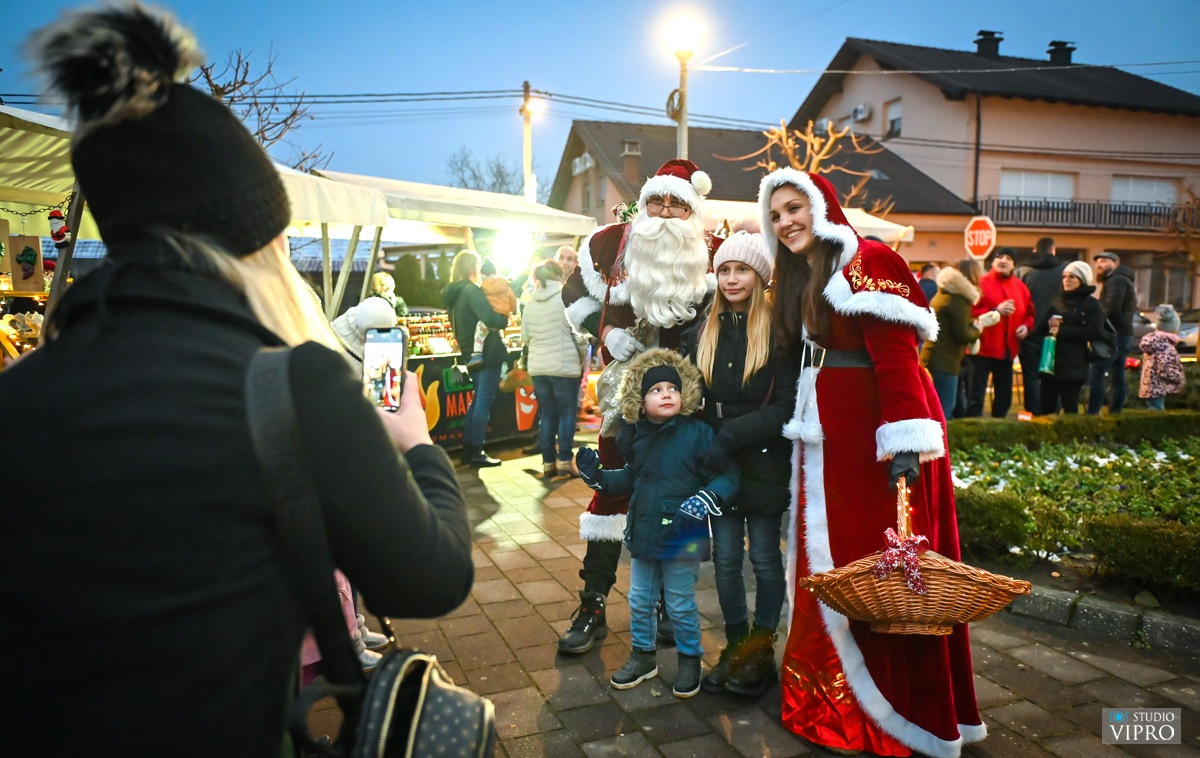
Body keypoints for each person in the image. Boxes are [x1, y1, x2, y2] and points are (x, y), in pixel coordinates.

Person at [1, 6, 475, 756]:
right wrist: (417, 445)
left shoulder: (20, 395)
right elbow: (433, 579)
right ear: (256, 242)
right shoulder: (293, 387)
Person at [760, 168, 984, 757]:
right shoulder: (806, 273)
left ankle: (889, 715)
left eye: (794, 208)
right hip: (827, 441)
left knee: (881, 571)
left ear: (820, 206)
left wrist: (904, 445)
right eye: (776, 214)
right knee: (828, 563)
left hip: (874, 443)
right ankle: (828, 704)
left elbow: (896, 357)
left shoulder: (873, 260)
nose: (785, 222)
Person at [556, 159, 722, 654]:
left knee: (677, 498)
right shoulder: (608, 243)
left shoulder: (709, 253)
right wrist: (605, 331)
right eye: (660, 201)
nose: (667, 212)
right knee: (609, 496)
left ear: (692, 209)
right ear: (646, 201)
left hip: (683, 403)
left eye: (678, 203)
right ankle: (592, 604)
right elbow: (573, 296)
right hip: (621, 401)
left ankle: (672, 606)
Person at [574, 348, 739, 698]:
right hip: (645, 530)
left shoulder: (698, 434)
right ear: (639, 399)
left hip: (683, 531)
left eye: (672, 388)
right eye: (656, 390)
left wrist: (708, 498)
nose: (666, 394)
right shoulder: (638, 436)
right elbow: (632, 477)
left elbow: (726, 475)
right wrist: (599, 477)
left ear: (684, 395)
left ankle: (690, 658)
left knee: (679, 602)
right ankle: (643, 655)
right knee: (639, 598)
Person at [682, 231, 798, 698]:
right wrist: (709, 438)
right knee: (726, 561)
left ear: (760, 276)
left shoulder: (779, 332)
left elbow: (785, 407)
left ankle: (761, 650)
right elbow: (695, 397)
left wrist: (728, 434)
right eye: (725, 270)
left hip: (764, 459)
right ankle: (735, 644)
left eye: (741, 270)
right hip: (720, 466)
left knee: (765, 559)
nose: (731, 279)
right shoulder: (704, 331)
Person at [442, 250, 510, 466]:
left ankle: (469, 448)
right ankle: (477, 450)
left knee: (476, 399)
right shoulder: (471, 291)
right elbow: (490, 318)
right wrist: (503, 318)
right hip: (487, 353)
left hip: (470, 354)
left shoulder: (453, 293)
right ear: (472, 267)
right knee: (483, 400)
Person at [521, 260, 586, 477]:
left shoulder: (529, 304)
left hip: (538, 368)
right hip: (564, 366)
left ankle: (548, 462)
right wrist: (581, 358)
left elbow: (525, 338)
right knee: (567, 412)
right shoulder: (565, 299)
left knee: (547, 414)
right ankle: (565, 460)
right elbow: (579, 336)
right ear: (559, 275)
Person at [920, 259, 1000, 421]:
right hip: (945, 361)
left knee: (935, 406)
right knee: (944, 409)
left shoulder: (945, 292)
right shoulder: (958, 299)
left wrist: (972, 323)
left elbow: (951, 325)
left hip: (933, 356)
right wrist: (977, 329)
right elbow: (961, 334)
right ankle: (941, 446)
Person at [965, 248, 1034, 418]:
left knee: (1004, 396)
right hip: (981, 349)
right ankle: (972, 429)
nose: (1003, 261)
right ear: (993, 262)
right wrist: (995, 310)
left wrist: (1026, 326)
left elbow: (1030, 314)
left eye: (1008, 258)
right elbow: (969, 312)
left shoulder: (1021, 287)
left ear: (1013, 265)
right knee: (975, 396)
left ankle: (997, 428)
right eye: (999, 257)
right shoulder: (980, 284)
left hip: (1007, 350)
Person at [1036, 261, 1107, 415]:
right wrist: (1049, 325)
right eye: (1065, 277)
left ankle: (1070, 439)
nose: (1067, 280)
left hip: (1074, 364)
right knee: (1046, 407)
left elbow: (1094, 331)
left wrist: (1061, 330)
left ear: (1082, 280)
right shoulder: (1057, 302)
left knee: (1070, 408)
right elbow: (1042, 329)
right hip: (1051, 362)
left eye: (1072, 277)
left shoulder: (1091, 304)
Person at [1018, 237, 1065, 415]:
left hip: (1029, 330)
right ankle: (1052, 410)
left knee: (1030, 376)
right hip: (1055, 330)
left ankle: (1033, 412)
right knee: (1052, 372)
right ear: (1053, 250)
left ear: (1034, 250)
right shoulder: (1063, 271)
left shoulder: (1024, 272)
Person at [1087, 251, 1138, 415]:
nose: (1099, 265)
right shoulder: (1118, 279)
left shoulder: (1116, 280)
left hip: (1114, 336)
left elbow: (1111, 309)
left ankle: (1093, 413)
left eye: (1103, 261)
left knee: (1097, 373)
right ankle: (1115, 412)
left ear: (1115, 264)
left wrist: (1097, 327)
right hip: (1123, 335)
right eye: (1097, 262)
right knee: (1117, 375)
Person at [467, 257, 517, 370]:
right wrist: (512, 310)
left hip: (490, 316)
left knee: (480, 331)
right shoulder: (505, 285)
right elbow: (513, 299)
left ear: (482, 274)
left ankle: (477, 354)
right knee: (498, 333)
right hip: (503, 316)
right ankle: (503, 346)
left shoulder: (482, 288)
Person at [1139, 304, 1186, 410]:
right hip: (1159, 386)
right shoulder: (1165, 346)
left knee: (1153, 407)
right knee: (1157, 409)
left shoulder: (1153, 343)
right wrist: (1179, 378)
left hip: (1150, 386)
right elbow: (1165, 368)